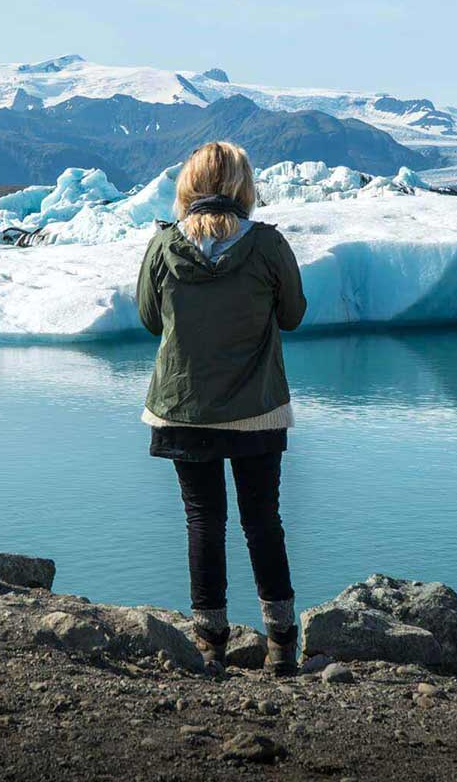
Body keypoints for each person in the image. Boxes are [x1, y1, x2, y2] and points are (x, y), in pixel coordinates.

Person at [135, 141, 307, 675]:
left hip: (183, 408)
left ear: (188, 186)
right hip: (256, 409)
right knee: (263, 520)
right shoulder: (267, 245)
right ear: (242, 186)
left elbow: (147, 318)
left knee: (203, 521)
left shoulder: (163, 247)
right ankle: (281, 641)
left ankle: (210, 639)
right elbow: (294, 315)